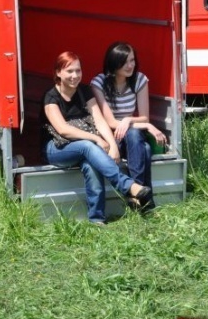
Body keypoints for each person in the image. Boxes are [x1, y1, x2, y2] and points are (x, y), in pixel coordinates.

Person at [41, 51, 151, 224]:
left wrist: (112, 145)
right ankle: (127, 186)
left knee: (91, 165)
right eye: (69, 71)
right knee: (87, 146)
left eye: (78, 71)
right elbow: (63, 130)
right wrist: (97, 139)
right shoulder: (51, 97)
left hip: (83, 148)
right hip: (57, 149)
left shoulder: (85, 91)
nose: (75, 76)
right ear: (58, 73)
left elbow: (100, 121)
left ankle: (97, 219)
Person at [91, 42, 166, 210]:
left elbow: (144, 117)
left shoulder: (140, 80)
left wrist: (129, 120)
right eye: (125, 62)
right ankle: (144, 197)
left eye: (132, 60)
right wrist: (145, 125)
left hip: (132, 135)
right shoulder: (98, 83)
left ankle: (136, 194)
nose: (130, 65)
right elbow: (110, 122)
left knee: (133, 134)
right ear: (114, 63)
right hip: (112, 138)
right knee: (145, 149)